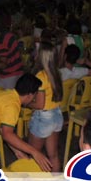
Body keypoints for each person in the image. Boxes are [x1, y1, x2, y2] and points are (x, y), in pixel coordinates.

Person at [27, 42, 63, 171]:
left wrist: (26, 103)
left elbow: (39, 104)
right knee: (53, 155)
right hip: (57, 114)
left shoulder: (40, 76)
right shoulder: (57, 73)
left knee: (33, 154)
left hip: (43, 117)